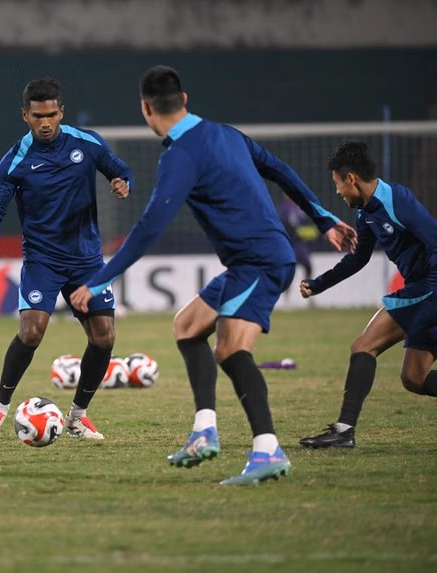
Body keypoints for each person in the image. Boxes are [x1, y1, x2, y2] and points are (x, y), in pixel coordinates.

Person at [69, 66, 357, 485]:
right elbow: (281, 171)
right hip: (248, 263)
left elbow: (149, 228)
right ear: (184, 99)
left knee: (230, 349)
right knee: (186, 326)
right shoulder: (227, 134)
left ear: (146, 109)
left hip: (261, 261)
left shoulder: (179, 156)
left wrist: (98, 280)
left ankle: (267, 451)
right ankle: (204, 432)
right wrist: (325, 219)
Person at [0, 77, 132, 442]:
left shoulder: (87, 143)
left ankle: (78, 416)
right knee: (31, 332)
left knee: (104, 337)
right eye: (37, 116)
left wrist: (123, 182)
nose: (45, 123)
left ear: (61, 111)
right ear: (24, 116)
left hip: (86, 260)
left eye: (51, 115)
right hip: (43, 260)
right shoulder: (15, 159)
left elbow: (121, 169)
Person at [299, 140, 437, 448]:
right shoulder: (365, 213)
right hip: (423, 287)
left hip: (430, 286)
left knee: (364, 344)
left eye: (337, 184)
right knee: (414, 378)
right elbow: (357, 259)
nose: (337, 192)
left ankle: (344, 430)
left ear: (351, 179)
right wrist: (317, 284)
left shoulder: (397, 201)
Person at [277, 195, 317, 280]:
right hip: (289, 242)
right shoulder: (284, 209)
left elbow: (305, 222)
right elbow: (283, 223)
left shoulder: (299, 208)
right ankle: (286, 285)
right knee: (288, 264)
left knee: (307, 263)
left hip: (299, 242)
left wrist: (307, 232)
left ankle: (308, 283)